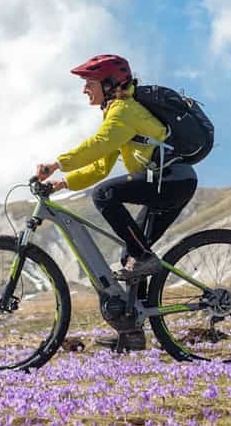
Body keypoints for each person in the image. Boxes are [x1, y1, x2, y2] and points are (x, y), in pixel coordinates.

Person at [31, 54, 199, 348]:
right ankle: (132, 333)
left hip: (171, 181)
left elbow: (97, 147)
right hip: (171, 181)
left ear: (109, 84)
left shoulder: (123, 111)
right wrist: (62, 183)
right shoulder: (116, 113)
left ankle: (145, 261)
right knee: (131, 255)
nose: (84, 89)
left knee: (106, 196)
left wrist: (57, 164)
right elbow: (101, 166)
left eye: (89, 83)